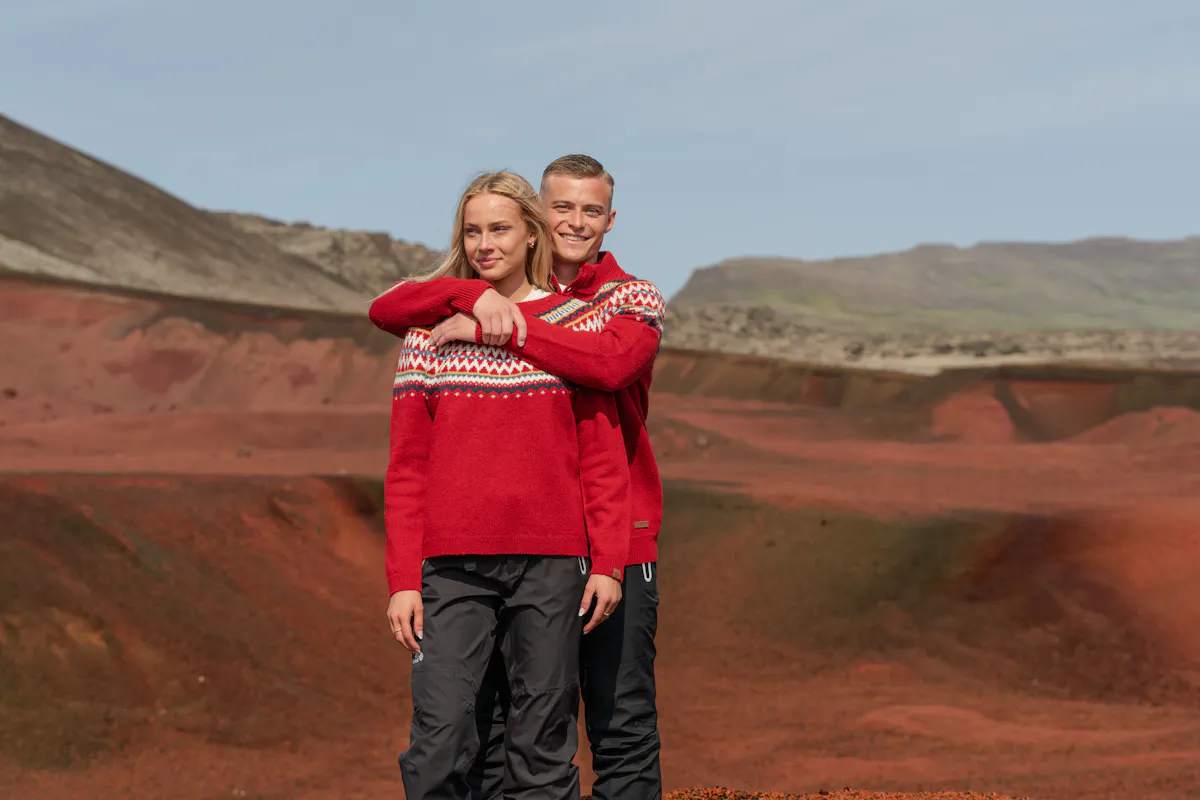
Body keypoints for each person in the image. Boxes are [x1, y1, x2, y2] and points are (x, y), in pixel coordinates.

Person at [368, 155, 666, 800]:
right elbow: (387, 309)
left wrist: (506, 330)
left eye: (591, 210)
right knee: (474, 726)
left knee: (614, 721)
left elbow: (610, 375)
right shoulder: (447, 315)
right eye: (563, 206)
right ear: (542, 216)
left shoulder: (622, 300)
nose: (575, 222)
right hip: (468, 561)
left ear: (610, 220)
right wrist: (473, 297)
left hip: (603, 546)